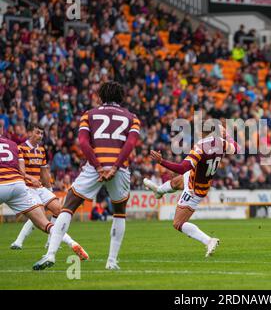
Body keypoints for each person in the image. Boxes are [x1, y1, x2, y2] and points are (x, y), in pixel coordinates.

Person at [33, 81, 141, 270]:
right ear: (121, 97)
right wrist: (114, 167)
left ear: (101, 96)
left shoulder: (89, 115)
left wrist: (99, 167)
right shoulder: (133, 118)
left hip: (94, 167)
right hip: (120, 169)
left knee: (68, 206)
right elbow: (130, 145)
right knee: (119, 213)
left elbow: (83, 143)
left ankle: (50, 255)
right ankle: (111, 261)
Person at [143, 126, 238, 257]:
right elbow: (236, 148)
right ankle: (159, 191)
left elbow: (182, 168)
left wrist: (161, 161)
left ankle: (209, 240)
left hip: (194, 190)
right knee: (177, 182)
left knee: (178, 223)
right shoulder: (221, 142)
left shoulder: (200, 147)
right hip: (199, 180)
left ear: (201, 132)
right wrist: (227, 134)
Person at [10, 123, 88, 260]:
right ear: (29, 132)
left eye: (41, 133)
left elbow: (44, 171)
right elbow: (20, 172)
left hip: (40, 188)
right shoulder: (20, 148)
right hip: (27, 189)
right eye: (37, 133)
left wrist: (50, 189)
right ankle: (68, 243)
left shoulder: (41, 150)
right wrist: (30, 178)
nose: (40, 136)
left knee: (59, 210)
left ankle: (45, 241)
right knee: (40, 219)